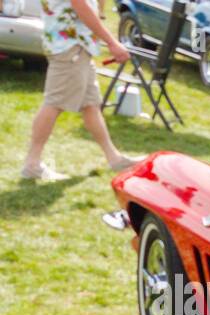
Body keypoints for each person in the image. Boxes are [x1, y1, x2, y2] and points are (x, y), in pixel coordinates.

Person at [21, 0, 141, 182]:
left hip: (77, 46)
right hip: (70, 47)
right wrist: (112, 42)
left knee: (90, 105)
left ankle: (114, 158)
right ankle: (32, 164)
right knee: (54, 103)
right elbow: (81, 6)